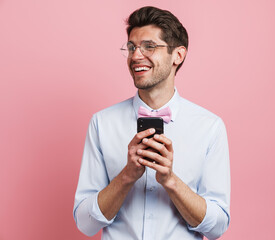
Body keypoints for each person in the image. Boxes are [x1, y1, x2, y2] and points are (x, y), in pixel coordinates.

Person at [73, 6, 230, 240]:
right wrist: (127, 176)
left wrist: (170, 181)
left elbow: (217, 227)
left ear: (178, 55)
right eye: (132, 47)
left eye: (149, 46)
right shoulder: (102, 123)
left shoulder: (210, 127)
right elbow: (85, 224)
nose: (136, 55)